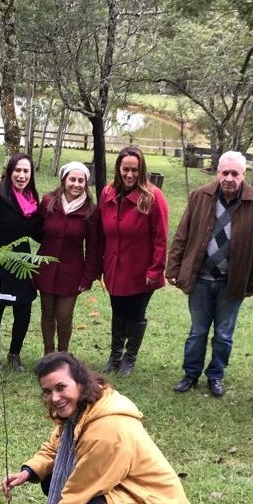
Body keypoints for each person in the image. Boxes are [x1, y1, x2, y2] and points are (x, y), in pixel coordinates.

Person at [1, 352, 193, 504]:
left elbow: (77, 492)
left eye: (61, 387)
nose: (55, 398)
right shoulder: (83, 410)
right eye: (47, 391)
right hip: (127, 490)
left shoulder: (107, 428)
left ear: (80, 382)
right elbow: (56, 448)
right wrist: (29, 472)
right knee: (51, 481)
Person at [165, 151, 253, 397]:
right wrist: (174, 267)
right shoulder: (200, 196)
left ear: (244, 175)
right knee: (197, 331)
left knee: (223, 334)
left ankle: (215, 376)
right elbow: (182, 234)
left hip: (232, 282)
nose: (229, 178)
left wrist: (252, 283)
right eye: (225, 172)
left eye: (235, 173)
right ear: (217, 172)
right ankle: (190, 374)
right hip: (201, 278)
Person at [98, 145, 168, 375]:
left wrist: (155, 270)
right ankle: (115, 355)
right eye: (125, 169)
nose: (129, 175)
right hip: (115, 267)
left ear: (142, 170)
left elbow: (161, 237)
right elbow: (101, 232)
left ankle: (129, 358)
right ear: (118, 168)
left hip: (141, 270)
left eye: (134, 170)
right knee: (118, 311)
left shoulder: (152, 197)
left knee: (136, 313)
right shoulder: (108, 193)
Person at [33, 161, 102, 355]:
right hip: (46, 268)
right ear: (64, 180)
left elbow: (93, 247)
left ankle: (63, 355)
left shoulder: (90, 210)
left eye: (81, 180)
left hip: (72, 272)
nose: (76, 184)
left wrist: (88, 277)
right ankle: (49, 353)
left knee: (64, 316)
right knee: (47, 313)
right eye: (73, 179)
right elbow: (36, 229)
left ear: (86, 184)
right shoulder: (48, 202)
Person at [0, 152, 41, 372]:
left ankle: (15, 354)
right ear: (9, 172)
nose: (22, 175)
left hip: (22, 264)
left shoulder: (33, 200)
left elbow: (38, 231)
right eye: (18, 170)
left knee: (23, 309)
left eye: (26, 171)